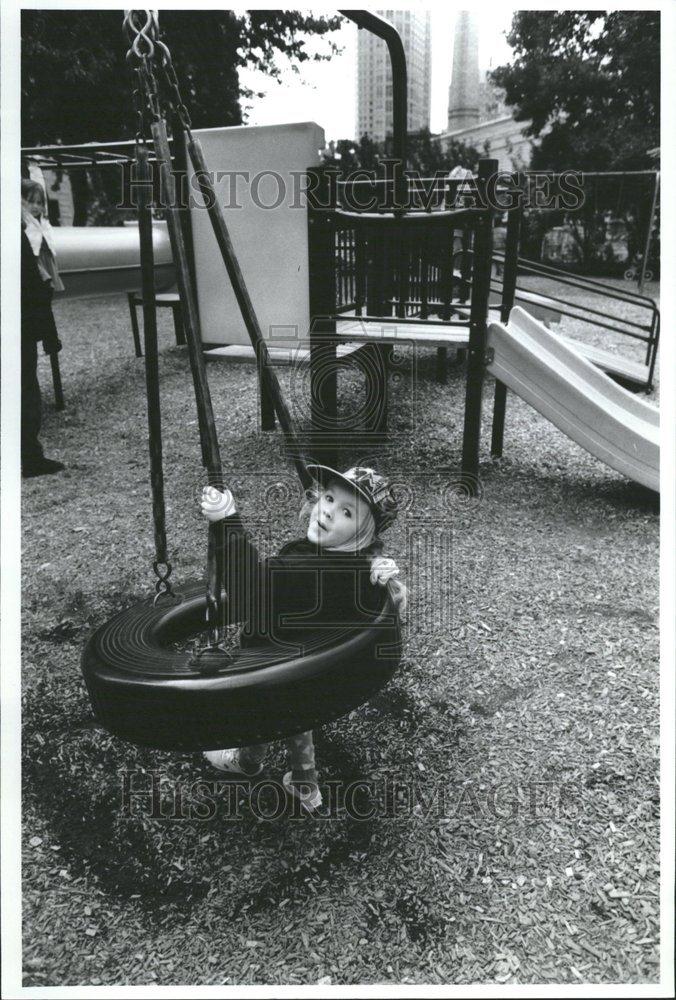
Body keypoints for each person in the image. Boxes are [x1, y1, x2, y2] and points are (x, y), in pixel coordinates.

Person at [200, 465, 407, 812]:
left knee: (262, 711)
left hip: (272, 668)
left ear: (364, 533)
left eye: (346, 512)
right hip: (311, 676)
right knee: (296, 714)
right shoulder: (356, 568)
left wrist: (227, 522)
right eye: (328, 498)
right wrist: (377, 580)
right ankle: (304, 783)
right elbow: (365, 611)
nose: (327, 510)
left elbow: (251, 589)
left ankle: (248, 758)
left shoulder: (306, 570)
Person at [21, 178, 65, 478]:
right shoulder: (21, 235)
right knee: (25, 387)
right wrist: (49, 335)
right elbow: (36, 287)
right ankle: (30, 457)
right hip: (22, 323)